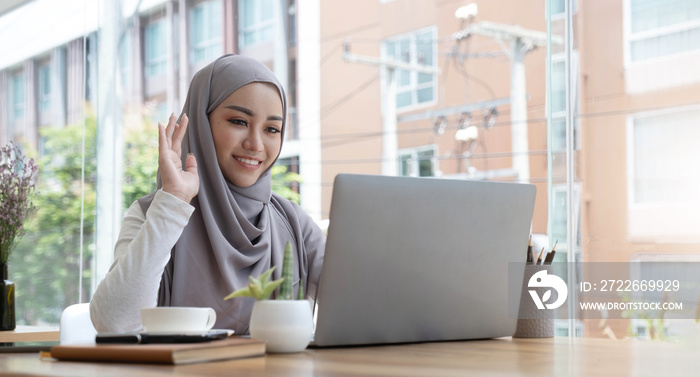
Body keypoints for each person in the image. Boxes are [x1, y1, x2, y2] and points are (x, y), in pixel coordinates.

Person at [90, 55, 326, 334]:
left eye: (272, 129)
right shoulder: (154, 213)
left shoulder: (291, 222)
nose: (255, 144)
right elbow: (113, 322)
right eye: (239, 121)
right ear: (201, 124)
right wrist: (174, 201)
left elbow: (357, 295)